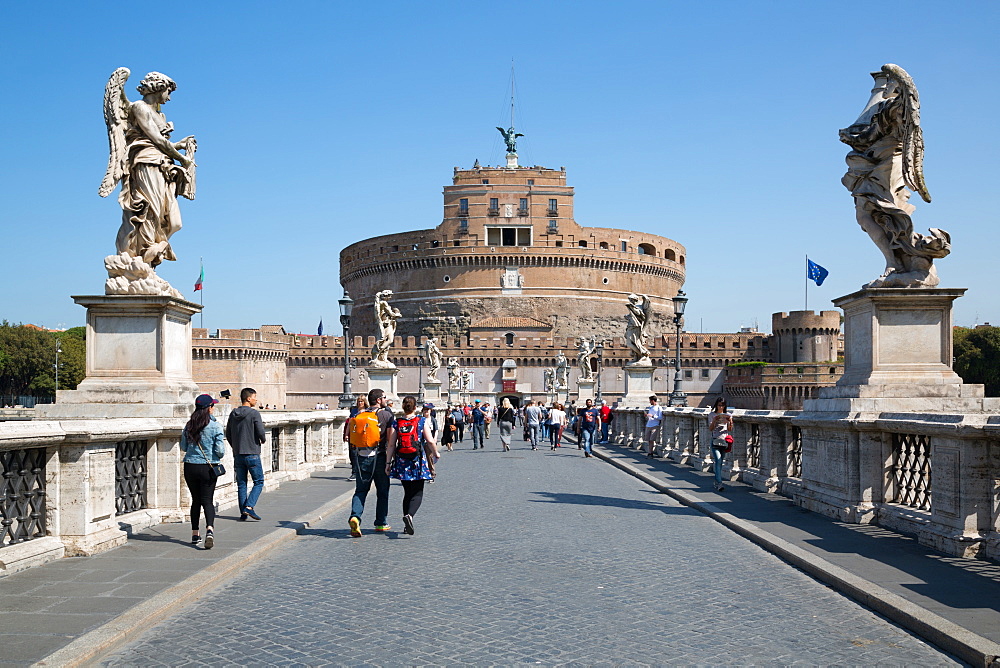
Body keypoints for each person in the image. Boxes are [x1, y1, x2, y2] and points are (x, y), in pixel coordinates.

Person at [386, 396, 440, 535]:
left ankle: (406, 523)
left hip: (402, 461)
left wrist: (388, 463)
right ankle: (409, 516)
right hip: (417, 462)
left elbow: (391, 444)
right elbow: (429, 441)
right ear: (415, 407)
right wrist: (436, 453)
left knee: (407, 493)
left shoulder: (397, 423)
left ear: (403, 407)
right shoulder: (421, 421)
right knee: (418, 492)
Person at [346, 388, 394, 536]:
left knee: (360, 490)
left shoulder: (360, 414)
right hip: (379, 457)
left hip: (361, 457)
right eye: (384, 397)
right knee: (382, 491)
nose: (386, 400)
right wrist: (389, 461)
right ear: (379, 400)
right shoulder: (386, 415)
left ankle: (355, 516)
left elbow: (350, 434)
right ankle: (380, 523)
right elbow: (391, 440)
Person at [180, 394, 225, 549]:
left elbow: (184, 447)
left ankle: (194, 534)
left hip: (190, 466)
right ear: (208, 408)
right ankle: (210, 531)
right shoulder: (216, 426)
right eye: (213, 406)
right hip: (208, 467)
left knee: (196, 500)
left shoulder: (189, 425)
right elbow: (220, 451)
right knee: (207, 500)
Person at [225, 387, 266, 521]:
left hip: (238, 453)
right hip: (252, 452)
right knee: (259, 481)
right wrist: (263, 440)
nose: (256, 399)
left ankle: (243, 512)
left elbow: (228, 434)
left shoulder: (233, 413)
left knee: (241, 483)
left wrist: (235, 446)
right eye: (255, 397)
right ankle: (249, 507)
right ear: (248, 398)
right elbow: (260, 431)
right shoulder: (254, 414)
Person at [709, 397, 734, 492]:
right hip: (715, 440)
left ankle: (716, 481)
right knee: (718, 460)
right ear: (716, 405)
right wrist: (715, 421)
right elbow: (710, 429)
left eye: (723, 405)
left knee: (720, 462)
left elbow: (730, 429)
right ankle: (719, 483)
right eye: (719, 405)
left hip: (724, 441)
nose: (721, 407)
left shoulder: (728, 415)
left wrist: (730, 422)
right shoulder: (712, 415)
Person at [342, 395, 369, 481]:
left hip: (362, 436)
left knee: (361, 454)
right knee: (352, 454)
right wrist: (346, 434)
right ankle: (354, 472)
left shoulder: (368, 411)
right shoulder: (354, 411)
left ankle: (361, 471)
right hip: (353, 435)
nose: (360, 403)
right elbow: (349, 423)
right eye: (358, 401)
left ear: (365, 402)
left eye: (361, 401)